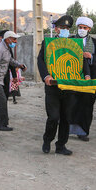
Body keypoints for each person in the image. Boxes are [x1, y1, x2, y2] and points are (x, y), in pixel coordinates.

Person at [37, 14, 75, 156]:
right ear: (56, 29)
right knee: (53, 117)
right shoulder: (48, 43)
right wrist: (46, 75)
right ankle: (47, 140)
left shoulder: (74, 43)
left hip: (69, 87)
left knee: (66, 118)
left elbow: (80, 62)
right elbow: (40, 61)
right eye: (62, 27)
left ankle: (61, 145)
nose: (65, 30)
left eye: (67, 28)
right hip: (53, 87)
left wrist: (87, 74)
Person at [68, 16, 96, 140]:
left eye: (84, 28)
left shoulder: (95, 43)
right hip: (73, 77)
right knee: (71, 104)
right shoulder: (70, 40)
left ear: (89, 29)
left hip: (88, 80)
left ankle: (83, 132)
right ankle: (68, 129)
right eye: (80, 27)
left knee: (86, 106)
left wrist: (91, 56)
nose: (81, 30)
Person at [0, 31, 26, 131]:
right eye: (14, 39)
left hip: (1, 79)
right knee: (2, 101)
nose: (15, 41)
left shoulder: (7, 48)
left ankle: (4, 123)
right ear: (8, 39)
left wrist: (19, 65)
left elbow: (10, 60)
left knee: (2, 101)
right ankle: (1, 125)